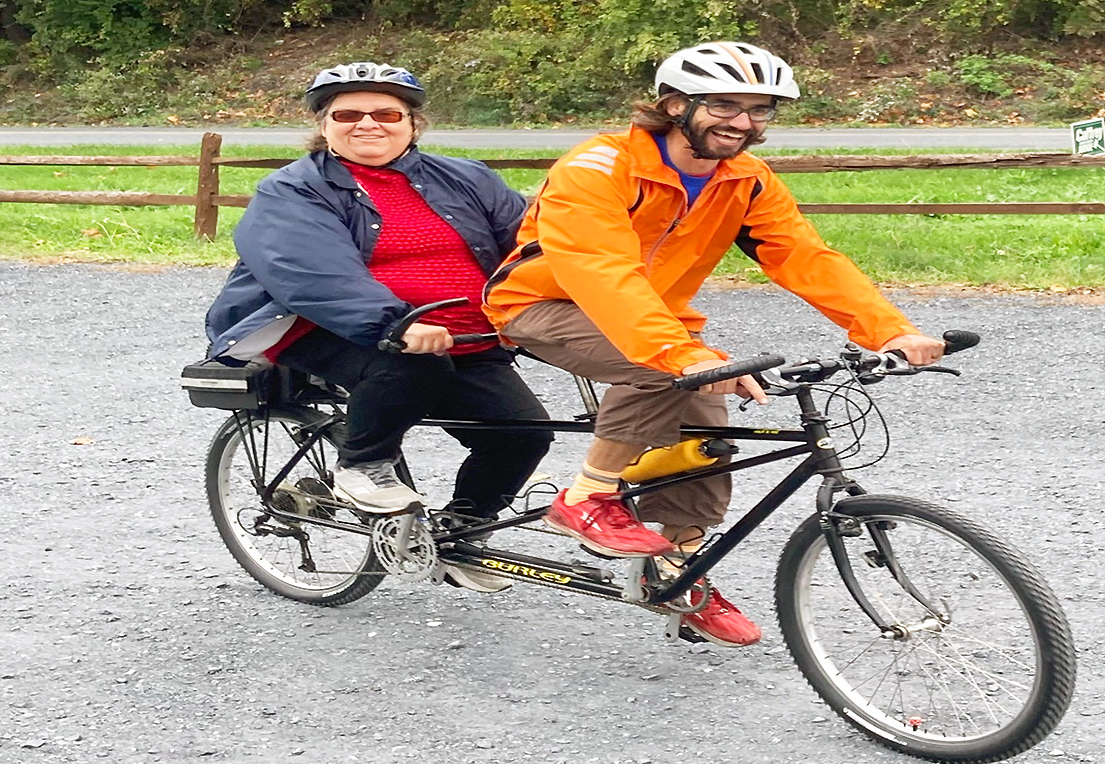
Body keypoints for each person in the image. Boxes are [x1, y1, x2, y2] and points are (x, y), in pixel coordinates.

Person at [483, 42, 945, 644]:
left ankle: (676, 570)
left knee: (707, 426)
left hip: (659, 317)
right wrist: (682, 355)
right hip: (544, 305)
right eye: (725, 104)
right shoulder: (598, 167)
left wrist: (891, 330)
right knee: (667, 371)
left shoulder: (747, 181)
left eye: (760, 110)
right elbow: (601, 271)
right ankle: (588, 495)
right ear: (675, 104)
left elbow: (805, 258)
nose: (743, 122)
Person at [205, 61, 553, 593]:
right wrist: (393, 324)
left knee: (520, 434)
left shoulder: (468, 178)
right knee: (408, 367)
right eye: (347, 113)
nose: (368, 123)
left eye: (387, 112)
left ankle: (460, 535)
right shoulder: (292, 190)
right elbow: (312, 271)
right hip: (323, 325)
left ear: (413, 123)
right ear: (324, 125)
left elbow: (531, 245)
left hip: (459, 333)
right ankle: (363, 464)